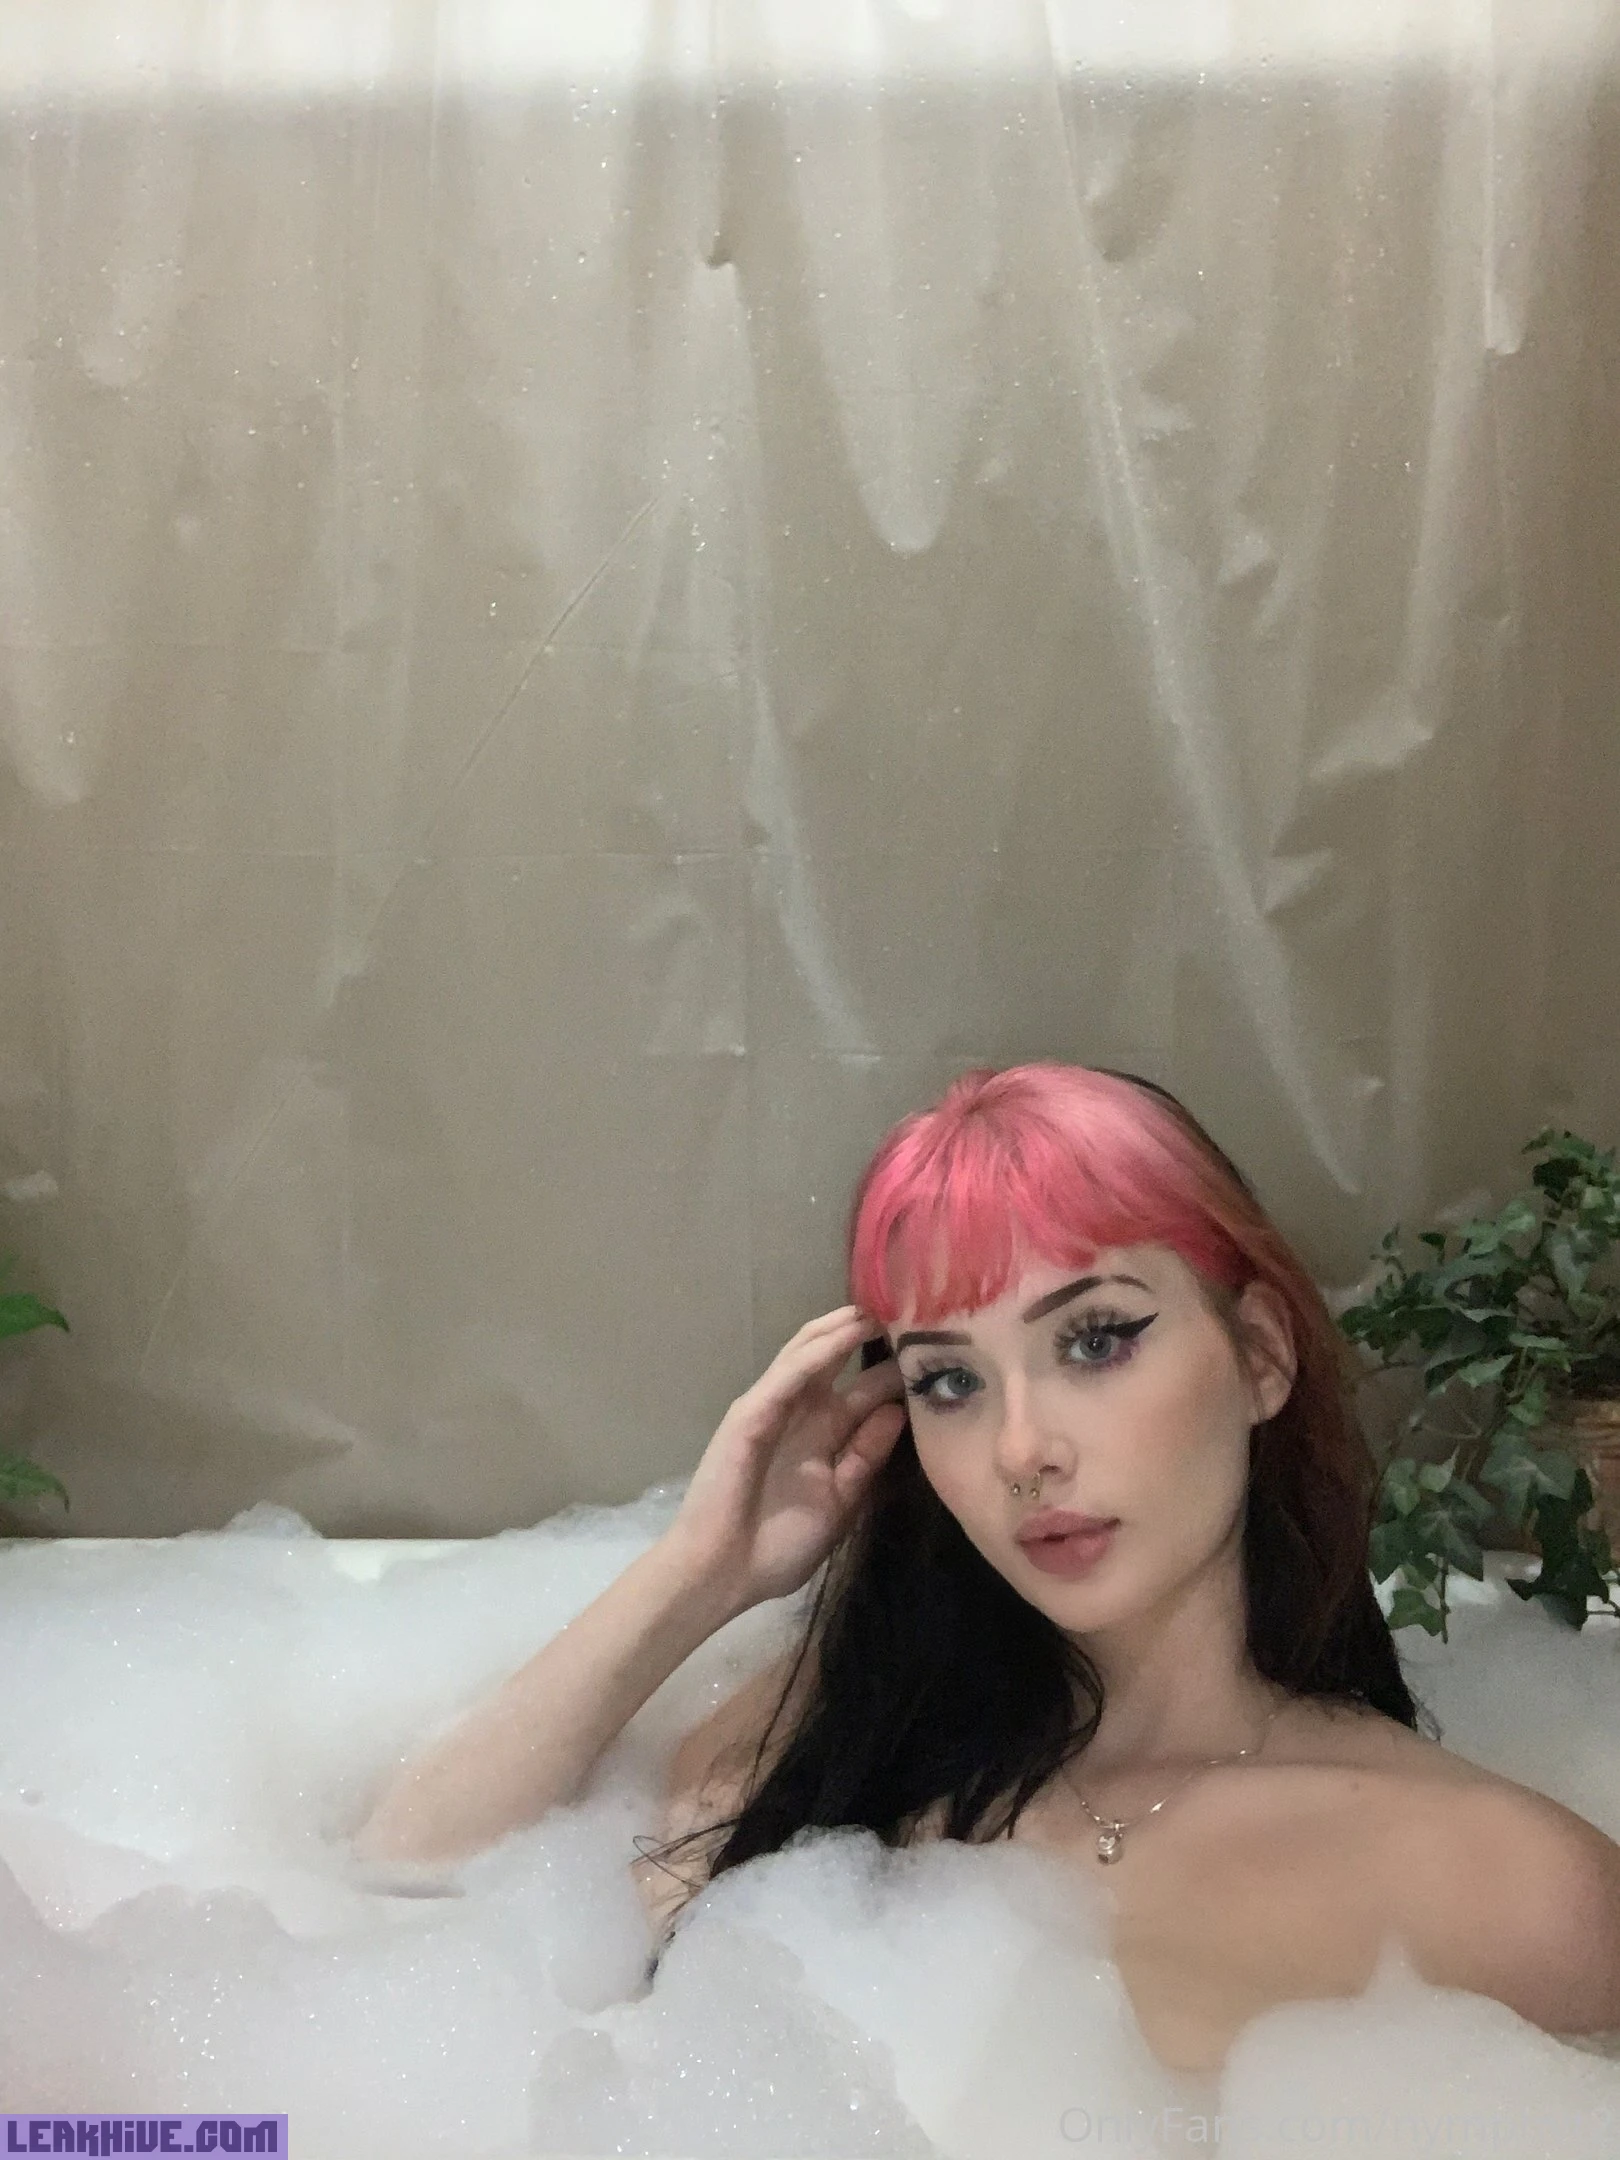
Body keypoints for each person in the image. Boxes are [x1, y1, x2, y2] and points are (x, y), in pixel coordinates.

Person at [350, 1063, 1620, 2073]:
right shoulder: (833, 1737)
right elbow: (402, 1876)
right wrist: (704, 1573)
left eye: (1097, 1340)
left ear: (1261, 1358)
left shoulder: (1511, 1887)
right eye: (949, 1381)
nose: (1020, 1450)